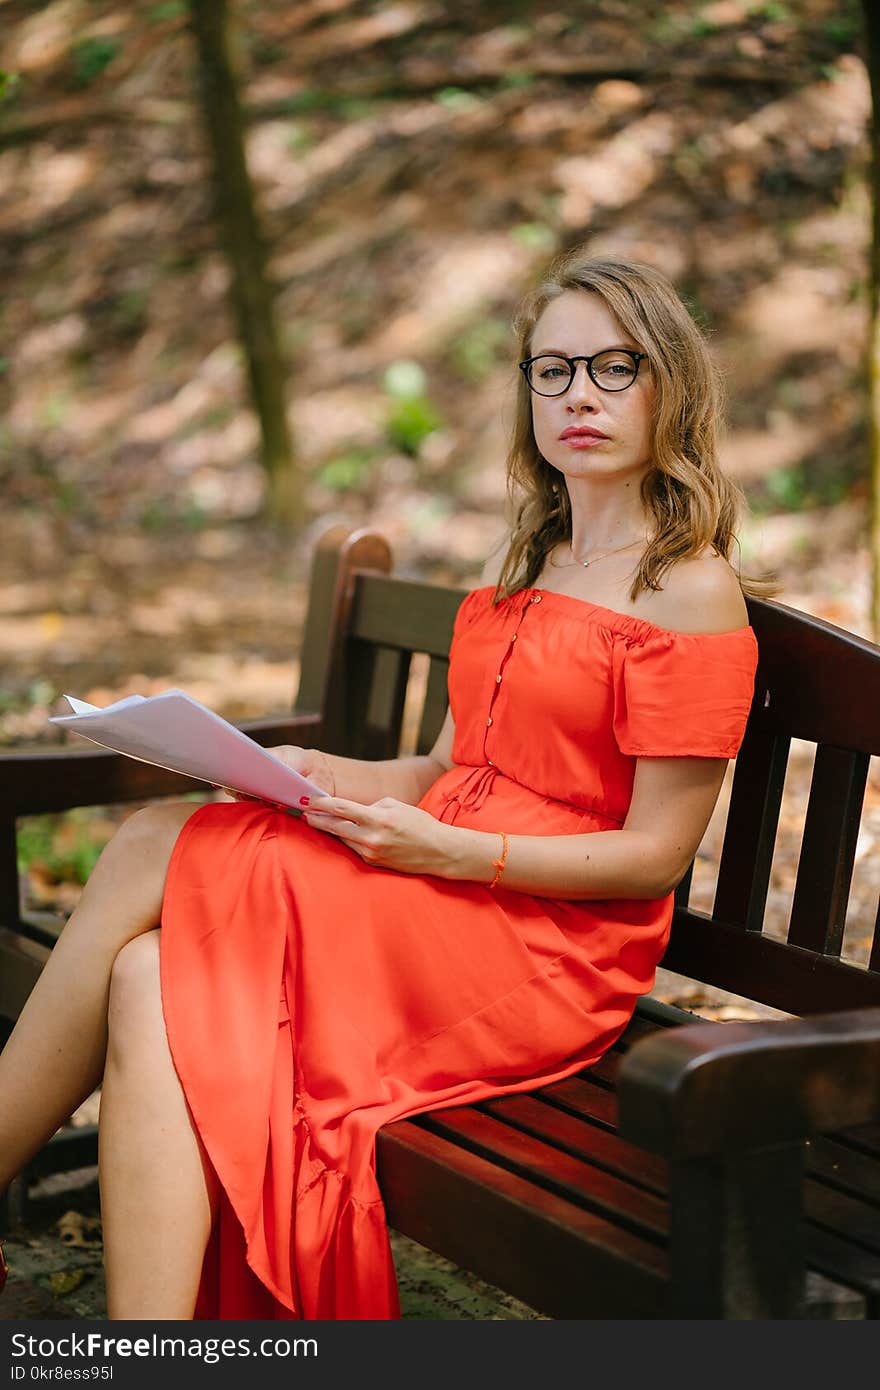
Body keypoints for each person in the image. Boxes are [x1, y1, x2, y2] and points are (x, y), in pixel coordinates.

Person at [0, 249, 761, 1320]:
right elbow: (451, 768)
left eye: (613, 367)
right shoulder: (530, 560)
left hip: (545, 938)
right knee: (144, 975)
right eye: (552, 370)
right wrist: (317, 773)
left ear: (667, 385)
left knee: (155, 845)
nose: (578, 394)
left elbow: (652, 857)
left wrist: (458, 851)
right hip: (439, 875)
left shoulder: (687, 588)